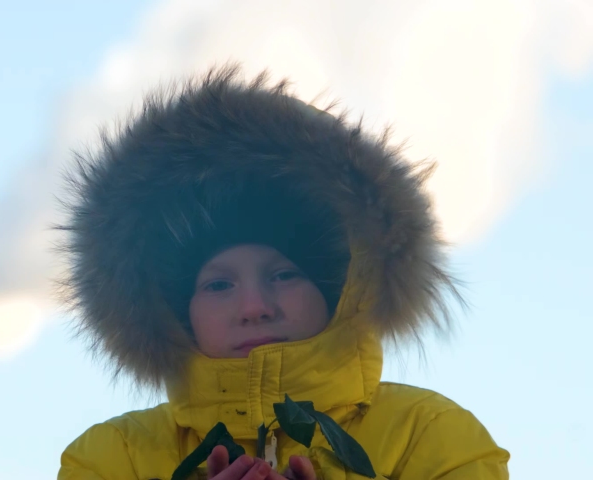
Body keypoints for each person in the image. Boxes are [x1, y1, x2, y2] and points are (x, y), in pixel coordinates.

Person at [55, 66, 510, 480]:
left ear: (341, 287)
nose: (254, 308)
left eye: (284, 275)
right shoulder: (111, 458)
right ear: (172, 310)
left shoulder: (430, 435)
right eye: (218, 284)